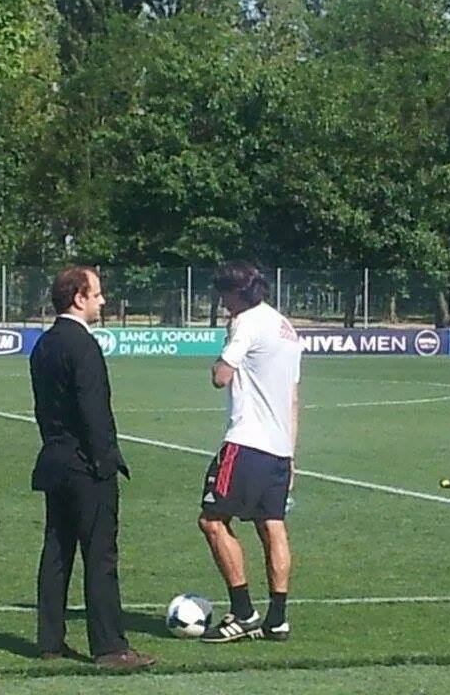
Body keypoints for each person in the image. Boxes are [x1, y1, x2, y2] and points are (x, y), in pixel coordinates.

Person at [29, 266, 155, 671]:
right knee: (100, 557)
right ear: (78, 297)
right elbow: (94, 411)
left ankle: (50, 641)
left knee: (57, 551)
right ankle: (110, 647)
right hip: (86, 465)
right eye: (97, 294)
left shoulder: (45, 344)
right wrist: (106, 461)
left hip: (55, 458)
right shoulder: (83, 345)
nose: (102, 301)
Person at [198, 261, 302, 643]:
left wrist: (222, 355)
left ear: (236, 292)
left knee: (211, 521)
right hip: (279, 448)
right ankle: (277, 619)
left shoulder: (246, 322)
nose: (222, 302)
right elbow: (293, 398)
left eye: (223, 295)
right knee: (271, 525)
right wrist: (291, 455)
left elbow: (220, 377)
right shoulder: (286, 327)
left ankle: (243, 613)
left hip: (246, 441)